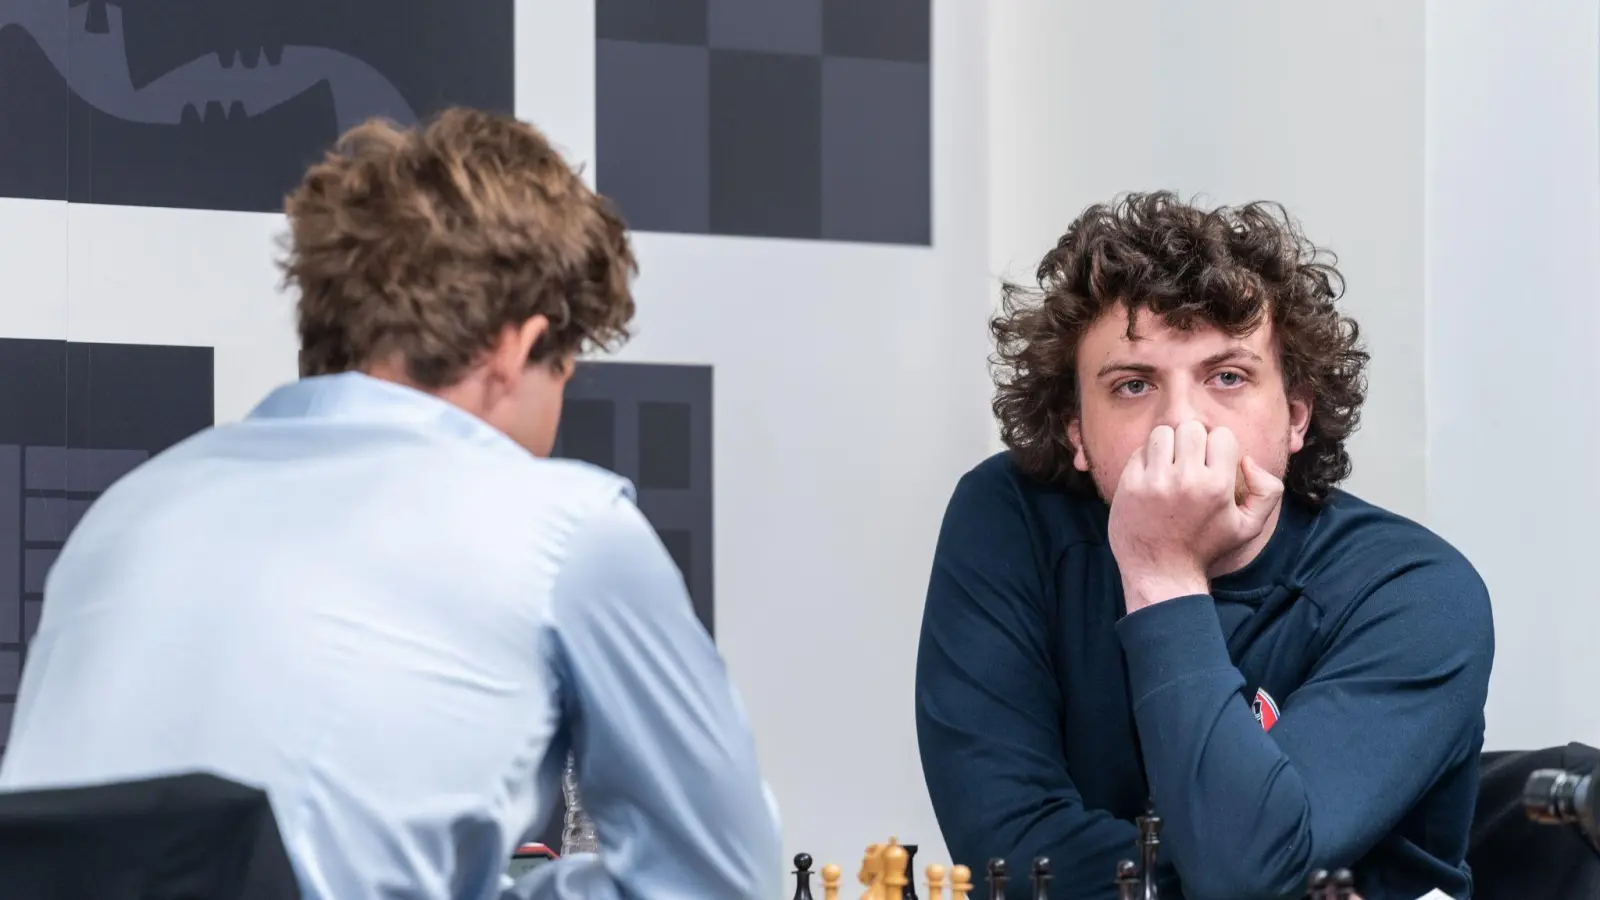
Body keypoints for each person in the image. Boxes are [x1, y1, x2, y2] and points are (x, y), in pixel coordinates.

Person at [0, 109, 782, 900]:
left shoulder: (134, 505)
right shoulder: (568, 528)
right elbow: (714, 880)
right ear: (516, 348)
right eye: (566, 369)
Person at [915, 192, 1493, 900]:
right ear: (1075, 432)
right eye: (1133, 386)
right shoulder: (1008, 517)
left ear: (1296, 416)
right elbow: (1007, 848)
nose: (1182, 426)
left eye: (1228, 378)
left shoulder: (1418, 593)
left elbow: (1245, 875)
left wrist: (1162, 572)